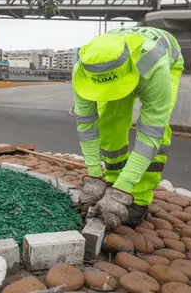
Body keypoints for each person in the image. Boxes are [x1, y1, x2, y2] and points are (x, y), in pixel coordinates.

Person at [73, 26, 184, 231]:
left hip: (165, 61)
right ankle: (114, 183)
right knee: (110, 123)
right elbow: (86, 125)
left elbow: (150, 136)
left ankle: (139, 197)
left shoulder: (155, 68)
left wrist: (122, 192)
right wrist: (95, 177)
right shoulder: (85, 67)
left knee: (158, 135)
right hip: (120, 68)